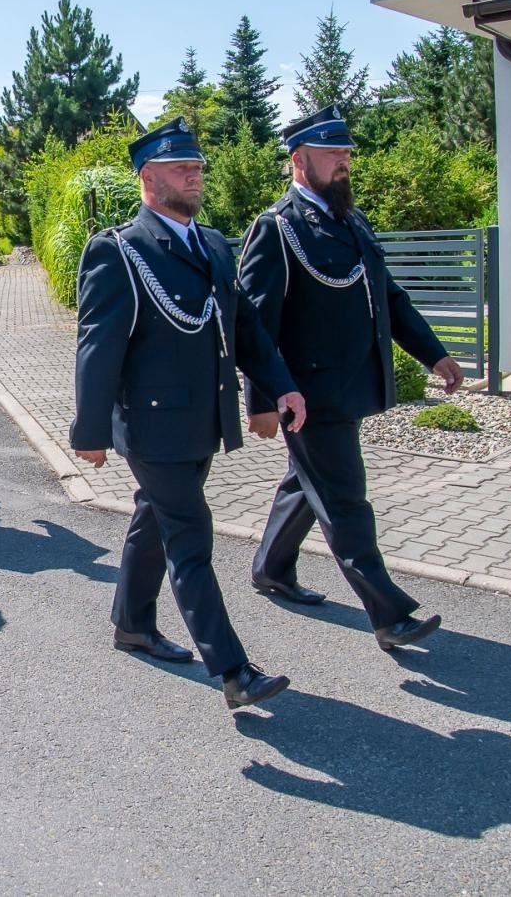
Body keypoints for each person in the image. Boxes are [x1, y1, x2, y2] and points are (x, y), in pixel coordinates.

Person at [70, 117, 307, 710]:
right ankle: (232, 670)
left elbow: (246, 326)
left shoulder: (214, 243)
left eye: (197, 167)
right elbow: (98, 346)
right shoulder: (119, 250)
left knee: (155, 518)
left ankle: (131, 622)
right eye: (182, 168)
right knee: (190, 536)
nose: (195, 176)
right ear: (149, 178)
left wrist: (280, 386)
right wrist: (90, 431)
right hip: (151, 427)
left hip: (203, 421)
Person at [236, 104, 460, 651]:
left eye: (346, 153)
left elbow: (389, 298)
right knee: (345, 499)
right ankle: (388, 613)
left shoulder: (350, 220)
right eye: (333, 153)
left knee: (307, 482)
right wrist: (260, 399)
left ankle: (271, 567)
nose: (344, 162)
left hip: (350, 386)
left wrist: (434, 355)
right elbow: (254, 324)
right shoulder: (277, 228)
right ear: (299, 160)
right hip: (307, 395)